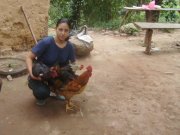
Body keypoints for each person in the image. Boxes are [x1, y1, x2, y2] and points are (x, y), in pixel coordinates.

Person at [26, 18, 76, 106]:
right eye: (60, 29)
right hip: (41, 74)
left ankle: (56, 91)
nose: (63, 33)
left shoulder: (70, 47)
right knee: (42, 92)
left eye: (66, 30)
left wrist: (70, 76)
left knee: (71, 81)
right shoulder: (47, 42)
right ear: (55, 29)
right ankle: (40, 92)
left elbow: (72, 64)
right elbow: (29, 57)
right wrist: (31, 74)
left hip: (55, 76)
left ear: (69, 32)